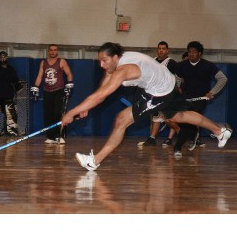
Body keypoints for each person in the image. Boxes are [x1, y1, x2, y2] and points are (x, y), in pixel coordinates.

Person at [61, 42, 232, 171]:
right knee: (179, 116)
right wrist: (86, 108)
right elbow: (102, 90)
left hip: (159, 91)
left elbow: (100, 96)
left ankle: (95, 161)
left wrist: (72, 112)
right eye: (100, 61)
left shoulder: (124, 70)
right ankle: (220, 131)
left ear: (115, 57)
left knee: (122, 120)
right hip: (166, 82)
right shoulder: (117, 61)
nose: (102, 65)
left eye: (104, 60)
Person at [172, 41, 228, 157]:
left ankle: (177, 147)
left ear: (200, 53)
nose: (191, 54)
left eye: (194, 52)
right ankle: (193, 136)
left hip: (200, 99)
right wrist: (177, 89)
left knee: (190, 120)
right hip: (185, 99)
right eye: (189, 52)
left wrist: (212, 92)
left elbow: (223, 78)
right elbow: (177, 79)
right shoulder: (181, 65)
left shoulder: (208, 65)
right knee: (185, 123)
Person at [31, 44, 74, 144]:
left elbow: (69, 74)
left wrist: (70, 84)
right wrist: (36, 87)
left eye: (55, 50)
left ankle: (59, 135)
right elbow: (39, 76)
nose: (53, 52)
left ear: (57, 51)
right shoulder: (43, 63)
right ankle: (50, 136)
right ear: (48, 51)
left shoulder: (62, 61)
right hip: (47, 91)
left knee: (58, 113)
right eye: (51, 50)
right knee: (48, 115)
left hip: (59, 90)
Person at [138, 41, 179, 147]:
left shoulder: (172, 63)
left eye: (163, 48)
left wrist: (176, 88)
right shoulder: (152, 61)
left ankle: (180, 131)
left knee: (165, 116)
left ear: (167, 50)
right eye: (159, 48)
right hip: (154, 93)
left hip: (168, 93)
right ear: (157, 50)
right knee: (157, 114)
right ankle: (152, 138)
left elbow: (178, 77)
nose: (161, 50)